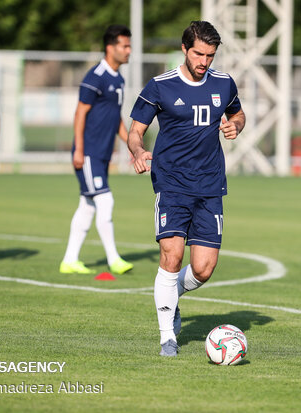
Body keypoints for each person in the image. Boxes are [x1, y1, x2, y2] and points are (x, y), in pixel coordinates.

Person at [128, 21, 246, 356]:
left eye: (210, 55)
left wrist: (235, 125)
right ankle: (168, 336)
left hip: (210, 186)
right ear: (184, 48)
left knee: (204, 269)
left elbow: (239, 114)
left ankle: (170, 296)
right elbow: (135, 131)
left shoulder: (223, 84)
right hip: (171, 183)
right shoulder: (159, 86)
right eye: (198, 53)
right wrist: (137, 151)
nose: (204, 61)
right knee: (172, 255)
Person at [59, 25, 134, 275]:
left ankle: (69, 260)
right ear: (110, 47)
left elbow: (116, 120)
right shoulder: (96, 76)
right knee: (105, 200)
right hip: (88, 152)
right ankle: (114, 259)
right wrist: (79, 149)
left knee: (88, 205)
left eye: (129, 45)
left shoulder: (119, 79)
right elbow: (80, 113)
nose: (128, 50)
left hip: (101, 155)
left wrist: (133, 146)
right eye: (124, 45)